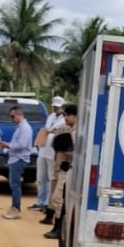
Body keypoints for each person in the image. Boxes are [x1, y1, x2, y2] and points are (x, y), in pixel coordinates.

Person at [43, 103, 77, 239]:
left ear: (75, 116)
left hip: (68, 169)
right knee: (56, 197)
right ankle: (55, 225)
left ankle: (58, 229)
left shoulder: (75, 132)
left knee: (58, 199)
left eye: (67, 115)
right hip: (61, 167)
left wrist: (66, 152)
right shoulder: (68, 128)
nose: (65, 118)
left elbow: (76, 153)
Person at [29, 96, 65, 212]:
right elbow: (47, 129)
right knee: (40, 178)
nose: (55, 109)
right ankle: (39, 201)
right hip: (43, 151)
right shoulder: (51, 116)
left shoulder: (64, 120)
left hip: (53, 153)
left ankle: (47, 203)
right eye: (54, 106)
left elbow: (55, 130)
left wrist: (51, 130)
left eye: (57, 107)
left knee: (50, 179)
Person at [0, 105, 33, 220]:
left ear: (19, 115)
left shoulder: (25, 128)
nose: (11, 119)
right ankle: (14, 207)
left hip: (19, 159)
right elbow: (16, 144)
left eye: (12, 116)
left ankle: (16, 208)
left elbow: (21, 145)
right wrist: (7, 148)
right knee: (14, 184)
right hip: (15, 158)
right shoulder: (20, 127)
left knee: (15, 185)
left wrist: (7, 144)